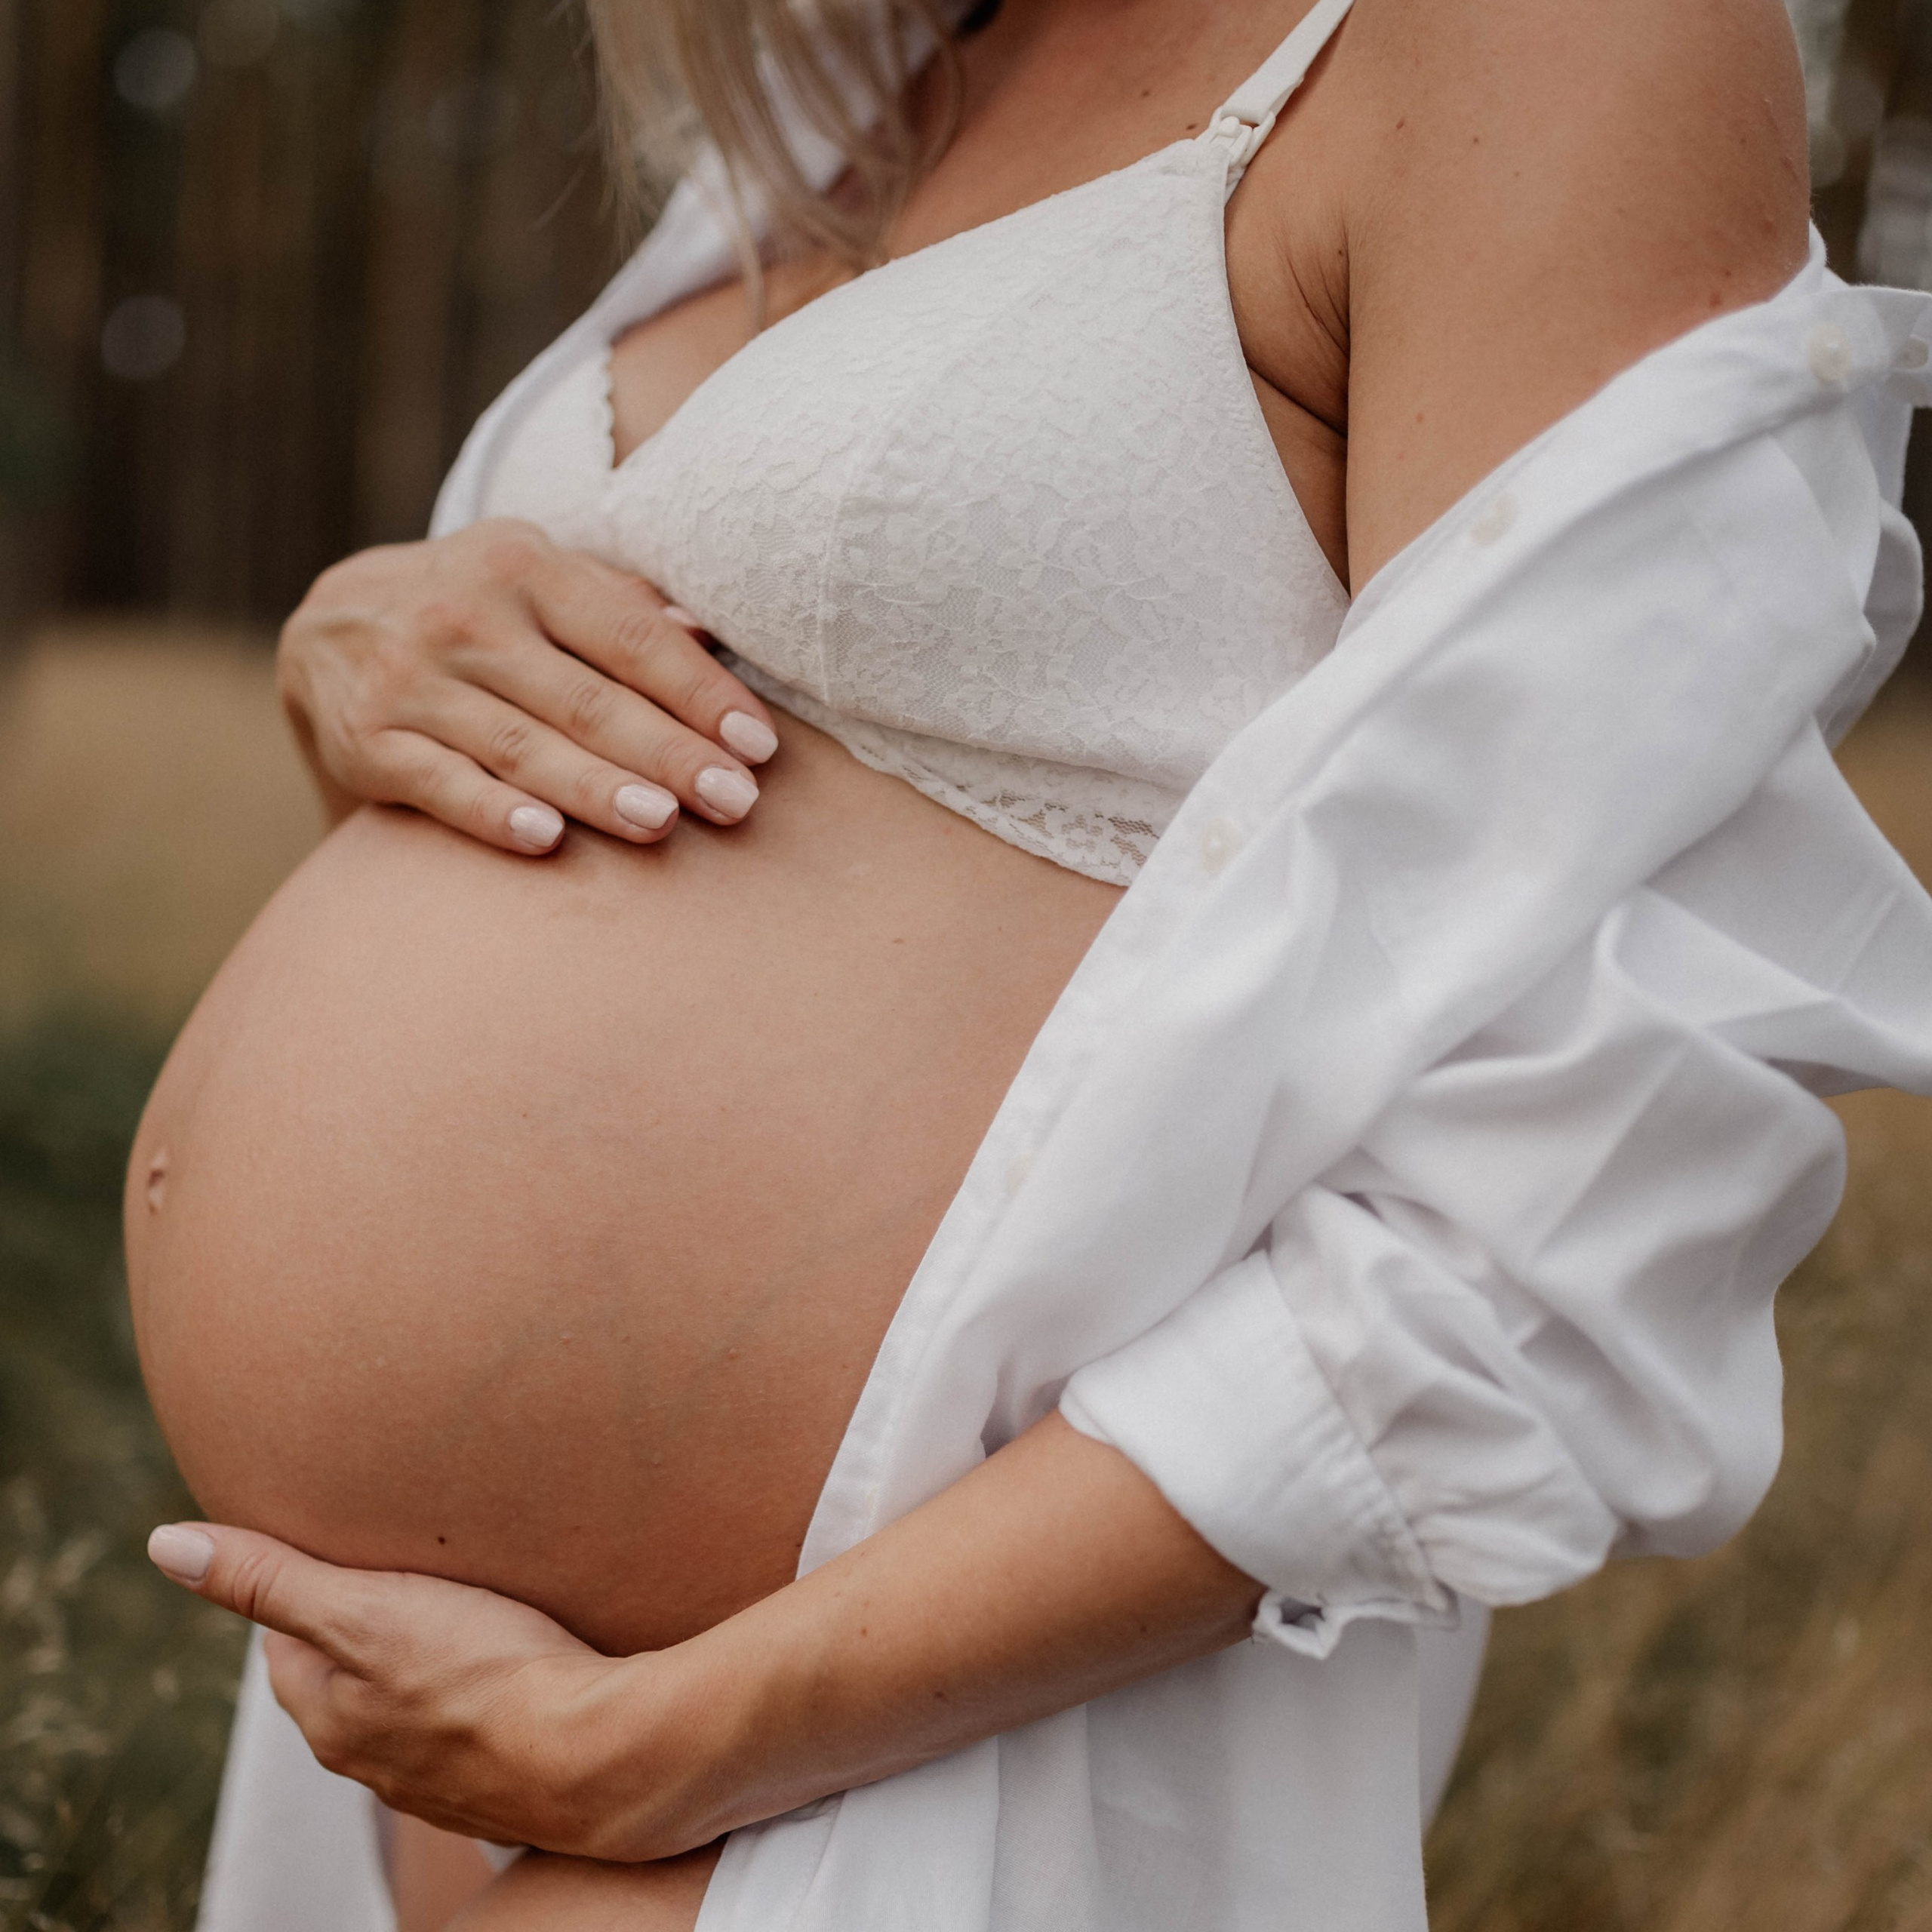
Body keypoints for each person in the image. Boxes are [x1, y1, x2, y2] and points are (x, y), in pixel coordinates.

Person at [128, 0, 1932, 1927]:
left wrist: (690, 1736)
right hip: (423, 1736)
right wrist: (365, 652)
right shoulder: (861, 90)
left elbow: (1594, 1139)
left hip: (889, 1743)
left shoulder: (1528, 41)